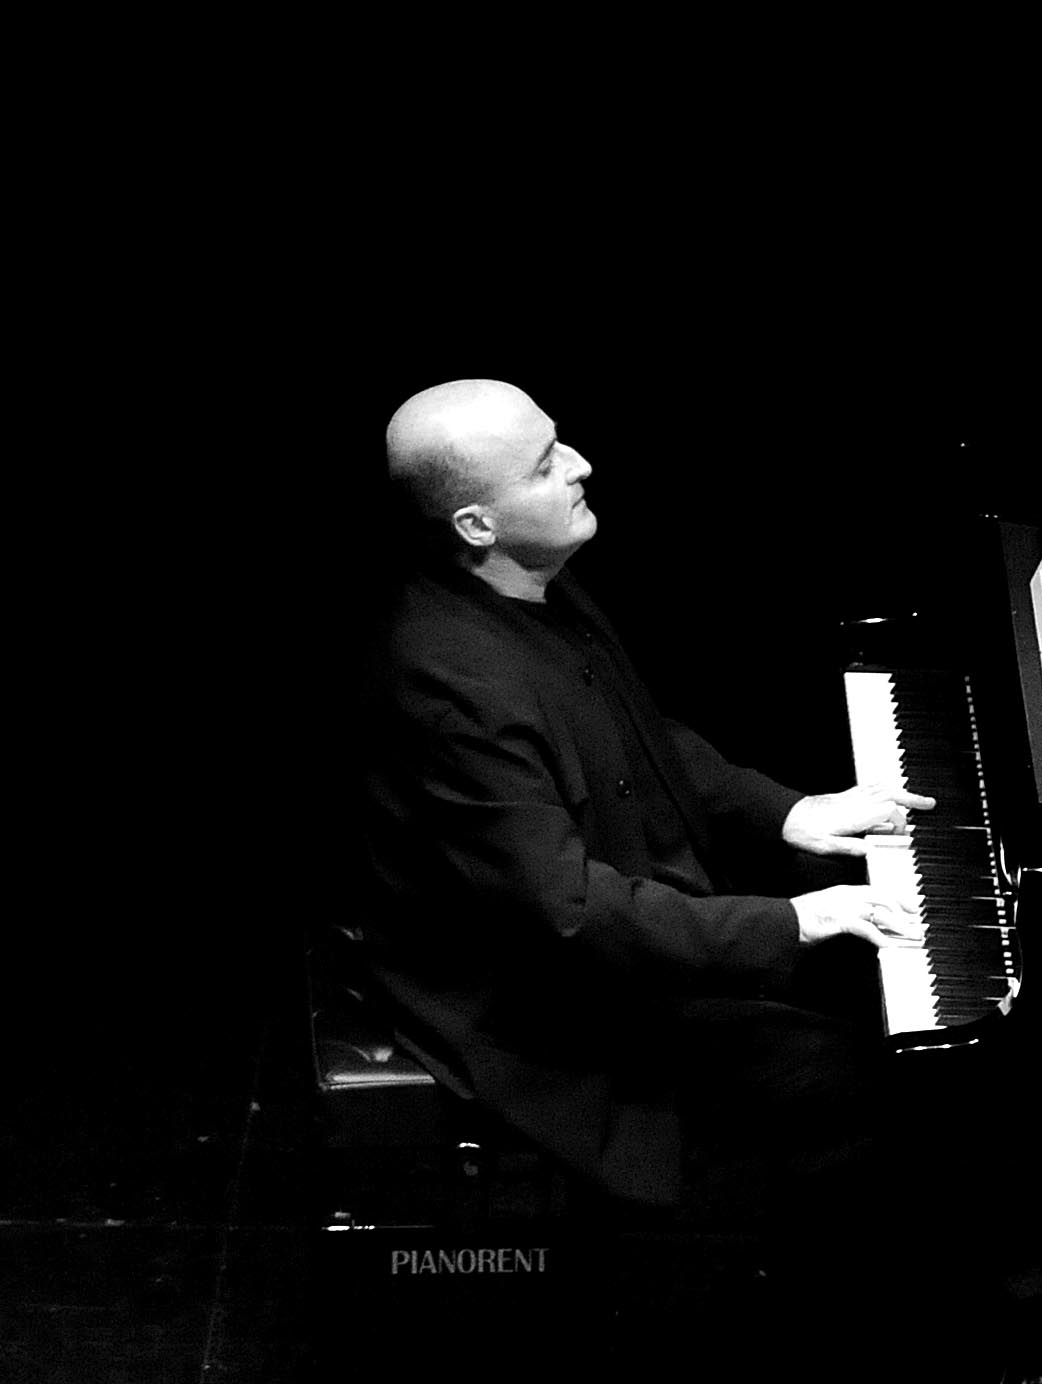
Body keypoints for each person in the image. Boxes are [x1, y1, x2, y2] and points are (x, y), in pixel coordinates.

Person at [360, 377, 930, 1218]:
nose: (583, 466)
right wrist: (798, 920)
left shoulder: (530, 581)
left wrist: (787, 812)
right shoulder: (450, 689)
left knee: (876, 995)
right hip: (551, 1024)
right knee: (870, 1086)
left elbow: (632, 734)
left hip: (631, 932)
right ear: (476, 525)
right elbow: (570, 917)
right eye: (546, 466)